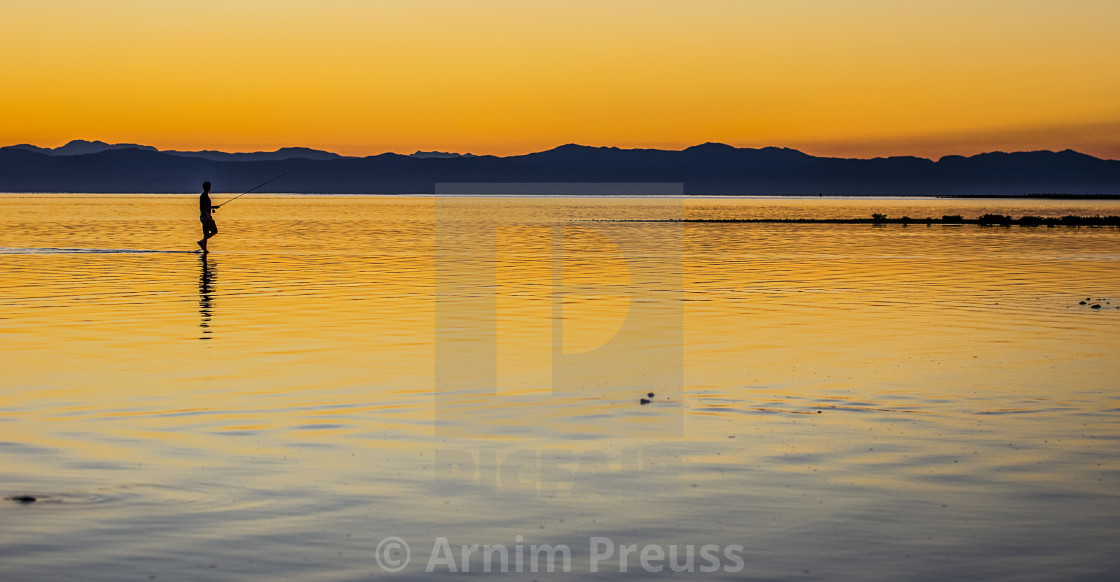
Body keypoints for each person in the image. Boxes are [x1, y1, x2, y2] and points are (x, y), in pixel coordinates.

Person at [198, 181, 219, 252]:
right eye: (208, 187)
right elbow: (203, 207)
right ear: (205, 187)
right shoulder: (203, 196)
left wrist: (213, 207)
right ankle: (202, 242)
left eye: (209, 187)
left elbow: (207, 206)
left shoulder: (205, 195)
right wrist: (208, 214)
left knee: (206, 233)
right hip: (206, 217)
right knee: (214, 231)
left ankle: (204, 248)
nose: (209, 188)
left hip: (205, 217)